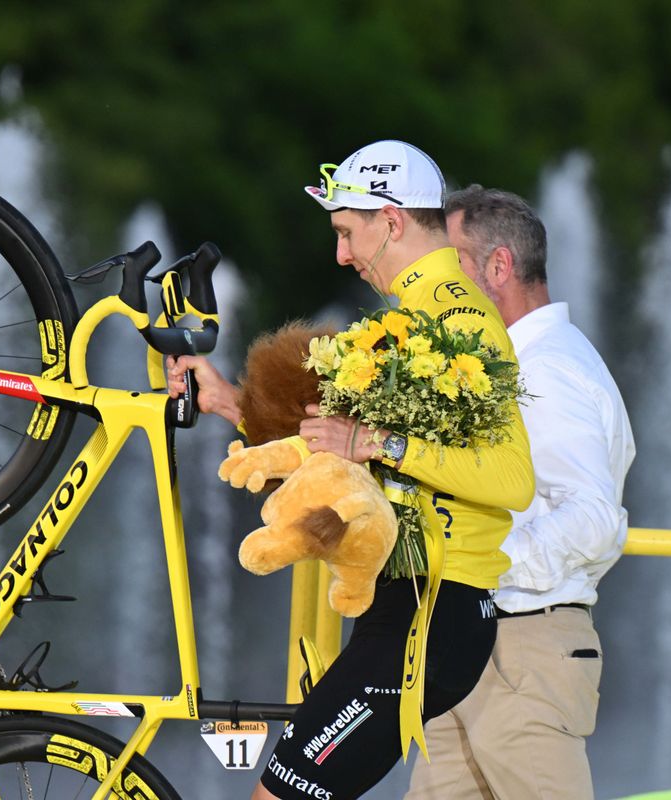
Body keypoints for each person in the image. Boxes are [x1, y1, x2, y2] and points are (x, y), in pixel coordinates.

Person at [167, 141, 535, 800]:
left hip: (432, 615)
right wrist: (231, 404)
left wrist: (379, 444)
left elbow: (513, 480)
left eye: (346, 231)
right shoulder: (415, 313)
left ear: (391, 221)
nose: (341, 254)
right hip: (408, 608)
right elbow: (339, 451)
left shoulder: (458, 315)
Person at [404, 186, 636, 799]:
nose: (436, 287)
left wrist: (479, 570)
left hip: (521, 649)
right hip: (490, 647)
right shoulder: (523, 364)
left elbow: (592, 517)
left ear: (498, 267)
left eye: (450, 268)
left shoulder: (542, 370)